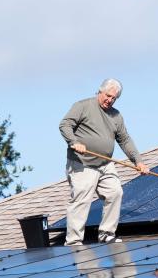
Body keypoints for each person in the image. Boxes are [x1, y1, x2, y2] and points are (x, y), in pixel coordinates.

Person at [59, 78, 149, 245]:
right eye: (108, 96)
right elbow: (65, 125)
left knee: (115, 192)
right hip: (82, 163)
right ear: (100, 91)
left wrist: (138, 161)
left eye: (114, 98)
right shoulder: (83, 106)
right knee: (81, 199)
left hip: (105, 164)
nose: (110, 100)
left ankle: (106, 234)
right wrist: (74, 142)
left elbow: (125, 140)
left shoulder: (116, 116)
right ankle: (73, 241)